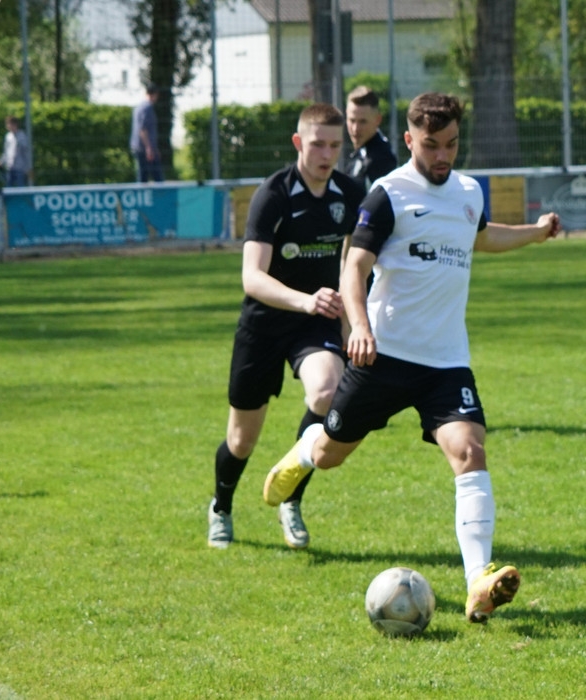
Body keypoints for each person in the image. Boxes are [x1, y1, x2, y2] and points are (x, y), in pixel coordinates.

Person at [262, 92, 561, 622]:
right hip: (383, 357)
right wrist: (360, 328)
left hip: (446, 362)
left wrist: (535, 233)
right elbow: (354, 269)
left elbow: (480, 236)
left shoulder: (468, 191)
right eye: (431, 145)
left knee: (469, 451)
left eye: (451, 144)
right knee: (332, 454)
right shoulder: (388, 194)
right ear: (408, 140)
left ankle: (478, 582)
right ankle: (304, 452)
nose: (443, 155)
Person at [207, 103, 365, 550]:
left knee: (327, 393)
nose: (327, 154)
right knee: (241, 440)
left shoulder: (350, 194)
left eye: (335, 145)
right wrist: (305, 300)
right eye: (317, 144)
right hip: (263, 325)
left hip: (314, 325)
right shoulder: (273, 194)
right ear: (298, 143)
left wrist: (353, 322)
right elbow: (252, 278)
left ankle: (291, 497)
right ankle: (221, 507)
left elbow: (358, 262)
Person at [338, 85, 398, 191]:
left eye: (363, 122)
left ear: (378, 120)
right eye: (352, 120)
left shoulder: (381, 159)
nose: (355, 129)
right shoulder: (362, 152)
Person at [129, 82, 164, 183]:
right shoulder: (147, 108)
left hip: (139, 147)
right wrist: (149, 148)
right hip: (145, 148)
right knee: (156, 177)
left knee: (143, 176)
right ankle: (162, 194)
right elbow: (143, 129)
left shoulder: (139, 107)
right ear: (155, 94)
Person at [0, 115, 32, 187]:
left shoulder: (22, 136)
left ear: (15, 124)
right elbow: (6, 151)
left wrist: (27, 167)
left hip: (20, 167)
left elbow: (25, 152)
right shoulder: (8, 136)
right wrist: (1, 161)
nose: (8, 126)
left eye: (9, 124)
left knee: (20, 186)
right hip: (9, 166)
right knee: (8, 186)